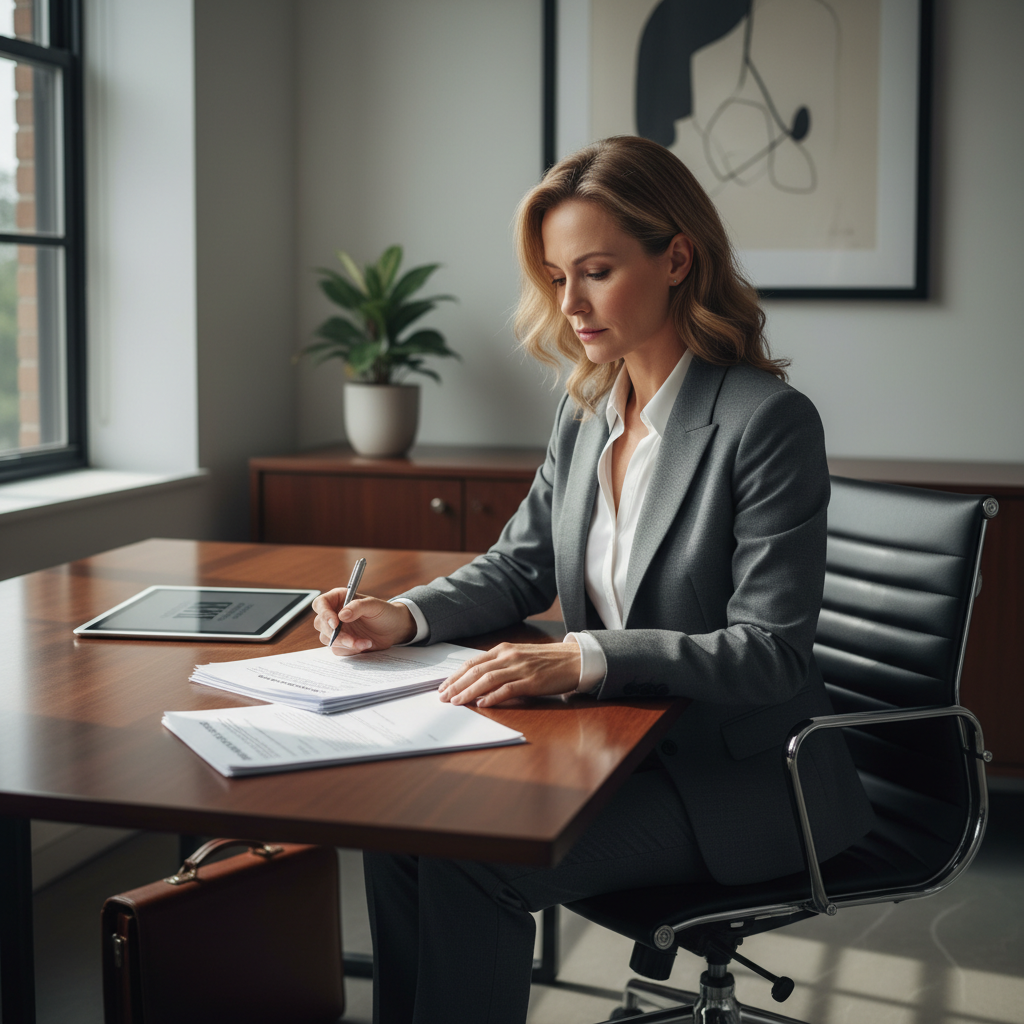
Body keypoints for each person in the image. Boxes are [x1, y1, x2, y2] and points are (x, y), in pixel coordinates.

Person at [311, 135, 874, 1024]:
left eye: (596, 271)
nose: (569, 303)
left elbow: (769, 654)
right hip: (614, 747)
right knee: (403, 831)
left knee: (470, 860)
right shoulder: (589, 409)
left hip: (735, 779)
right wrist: (405, 618)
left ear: (677, 258)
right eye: (555, 275)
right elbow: (519, 564)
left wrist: (586, 657)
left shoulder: (767, 423)